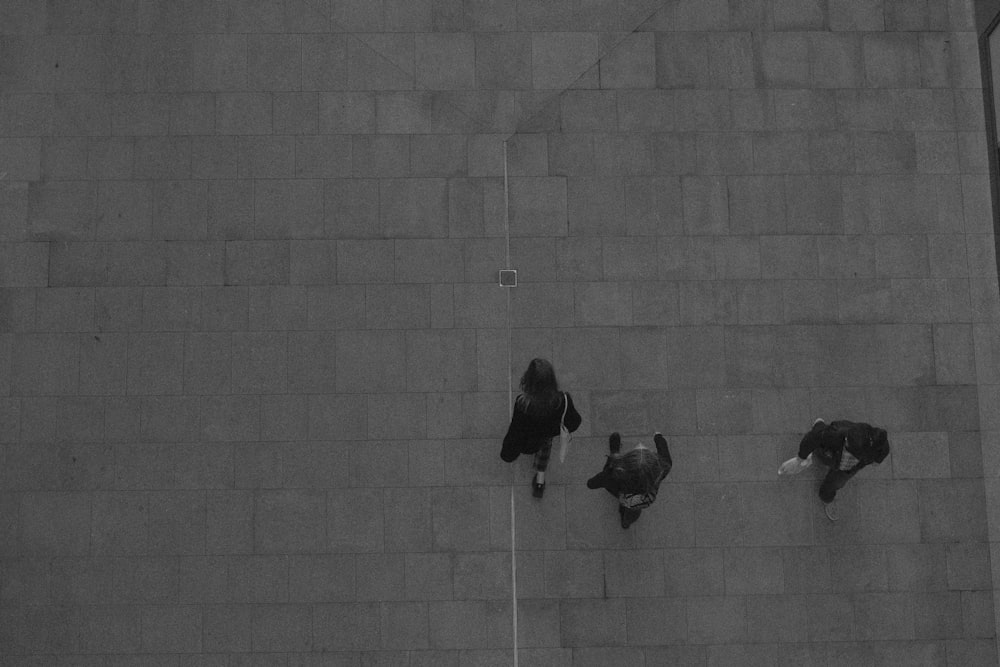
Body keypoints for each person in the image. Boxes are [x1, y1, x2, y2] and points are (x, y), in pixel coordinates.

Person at [500, 358, 581, 498]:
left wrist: (508, 453)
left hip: (529, 442)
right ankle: (539, 482)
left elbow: (516, 431)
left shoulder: (523, 404)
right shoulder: (563, 400)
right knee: (545, 452)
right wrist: (555, 430)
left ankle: (539, 483)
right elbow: (575, 422)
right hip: (546, 436)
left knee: (539, 448)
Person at [792, 418, 890, 521]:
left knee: (835, 483)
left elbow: (875, 462)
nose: (846, 443)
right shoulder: (837, 434)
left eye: (849, 447)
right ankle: (819, 424)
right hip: (834, 452)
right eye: (847, 443)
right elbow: (814, 437)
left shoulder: (881, 449)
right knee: (821, 450)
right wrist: (801, 457)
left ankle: (826, 497)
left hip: (848, 466)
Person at [586, 431, 672, 529]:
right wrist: (658, 437)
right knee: (633, 511)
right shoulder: (663, 466)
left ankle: (614, 452)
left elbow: (592, 484)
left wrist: (658, 437)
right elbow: (664, 451)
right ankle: (626, 522)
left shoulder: (612, 475)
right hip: (641, 499)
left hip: (619, 490)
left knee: (612, 463)